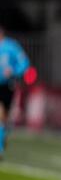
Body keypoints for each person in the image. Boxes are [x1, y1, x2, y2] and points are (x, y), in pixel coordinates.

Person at [0, 24, 30, 159]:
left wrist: (14, 71)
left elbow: (24, 63)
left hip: (7, 86)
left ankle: (3, 136)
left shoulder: (11, 46)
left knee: (4, 117)